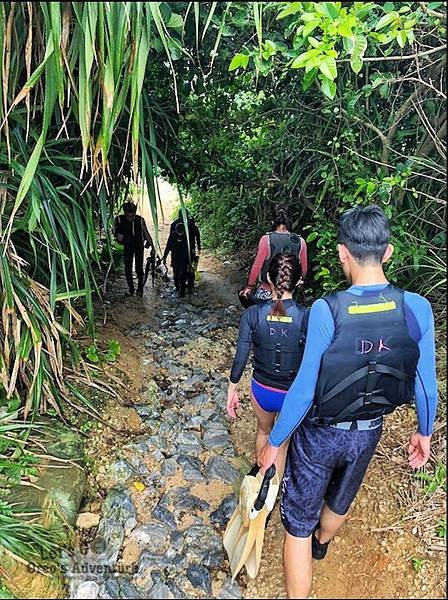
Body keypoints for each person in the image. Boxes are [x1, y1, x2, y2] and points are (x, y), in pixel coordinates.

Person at [257, 205, 438, 599]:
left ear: (342, 252)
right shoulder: (418, 309)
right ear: (387, 252)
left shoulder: (327, 310)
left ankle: (308, 541)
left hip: (320, 434)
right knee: (342, 495)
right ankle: (324, 541)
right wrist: (424, 433)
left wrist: (274, 444)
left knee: (297, 527)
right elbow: (426, 387)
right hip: (369, 430)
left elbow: (304, 390)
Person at [227, 253, 309, 480]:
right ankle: (270, 493)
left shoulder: (253, 314)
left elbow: (241, 357)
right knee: (280, 443)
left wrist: (232, 389)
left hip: (262, 390)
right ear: (299, 280)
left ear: (268, 279)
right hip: (291, 393)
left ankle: (259, 478)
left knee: (263, 430)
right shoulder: (307, 317)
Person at [239, 205, 308, 306]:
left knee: (259, 315)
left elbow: (256, 266)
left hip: (267, 290)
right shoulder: (300, 241)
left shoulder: (266, 240)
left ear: (273, 222)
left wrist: (249, 286)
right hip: (289, 292)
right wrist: (299, 281)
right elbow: (304, 269)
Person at [115, 201, 155, 296]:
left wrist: (152, 246)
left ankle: (140, 288)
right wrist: (118, 236)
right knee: (127, 268)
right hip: (127, 245)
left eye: (132, 215)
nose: (131, 218)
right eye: (129, 216)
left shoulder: (140, 220)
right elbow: (115, 231)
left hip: (138, 245)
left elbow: (146, 233)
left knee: (139, 268)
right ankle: (131, 289)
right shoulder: (119, 219)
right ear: (125, 213)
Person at [162, 209, 201, 297]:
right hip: (180, 253)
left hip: (187, 252)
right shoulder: (176, 228)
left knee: (186, 271)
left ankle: (184, 287)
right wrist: (165, 256)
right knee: (182, 272)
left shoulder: (188, 225)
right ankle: (182, 286)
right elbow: (169, 243)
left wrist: (198, 248)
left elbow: (197, 235)